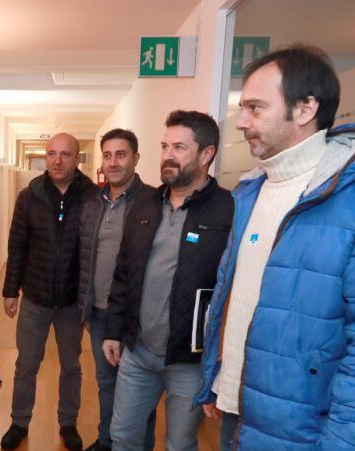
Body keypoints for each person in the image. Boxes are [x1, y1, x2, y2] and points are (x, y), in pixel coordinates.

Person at [194, 44, 355, 450]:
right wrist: (220, 380)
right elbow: (240, 299)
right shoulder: (252, 190)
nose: (242, 122)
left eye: (255, 108)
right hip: (240, 411)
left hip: (309, 432)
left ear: (304, 109)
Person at [105, 111, 234, 451]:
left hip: (188, 361)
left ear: (207, 154)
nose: (167, 155)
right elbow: (124, 271)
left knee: (179, 445)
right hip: (138, 352)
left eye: (179, 147)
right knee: (124, 436)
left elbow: (235, 290)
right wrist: (114, 331)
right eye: (164, 146)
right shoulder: (146, 202)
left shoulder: (229, 210)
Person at [0, 132, 96, 450]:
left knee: (71, 366)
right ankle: (19, 422)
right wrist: (10, 290)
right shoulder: (30, 196)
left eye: (65, 154)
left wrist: (90, 300)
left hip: (71, 303)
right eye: (51, 153)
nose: (57, 160)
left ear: (77, 158)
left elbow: (97, 251)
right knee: (26, 365)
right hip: (35, 301)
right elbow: (17, 246)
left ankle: (68, 423)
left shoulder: (93, 197)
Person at [76, 129, 157, 451]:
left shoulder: (153, 201)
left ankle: (140, 445)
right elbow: (84, 257)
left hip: (137, 315)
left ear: (136, 158)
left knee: (141, 387)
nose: (113, 162)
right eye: (107, 155)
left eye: (120, 154)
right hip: (98, 312)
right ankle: (106, 441)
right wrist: (84, 307)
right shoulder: (93, 203)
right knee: (106, 382)